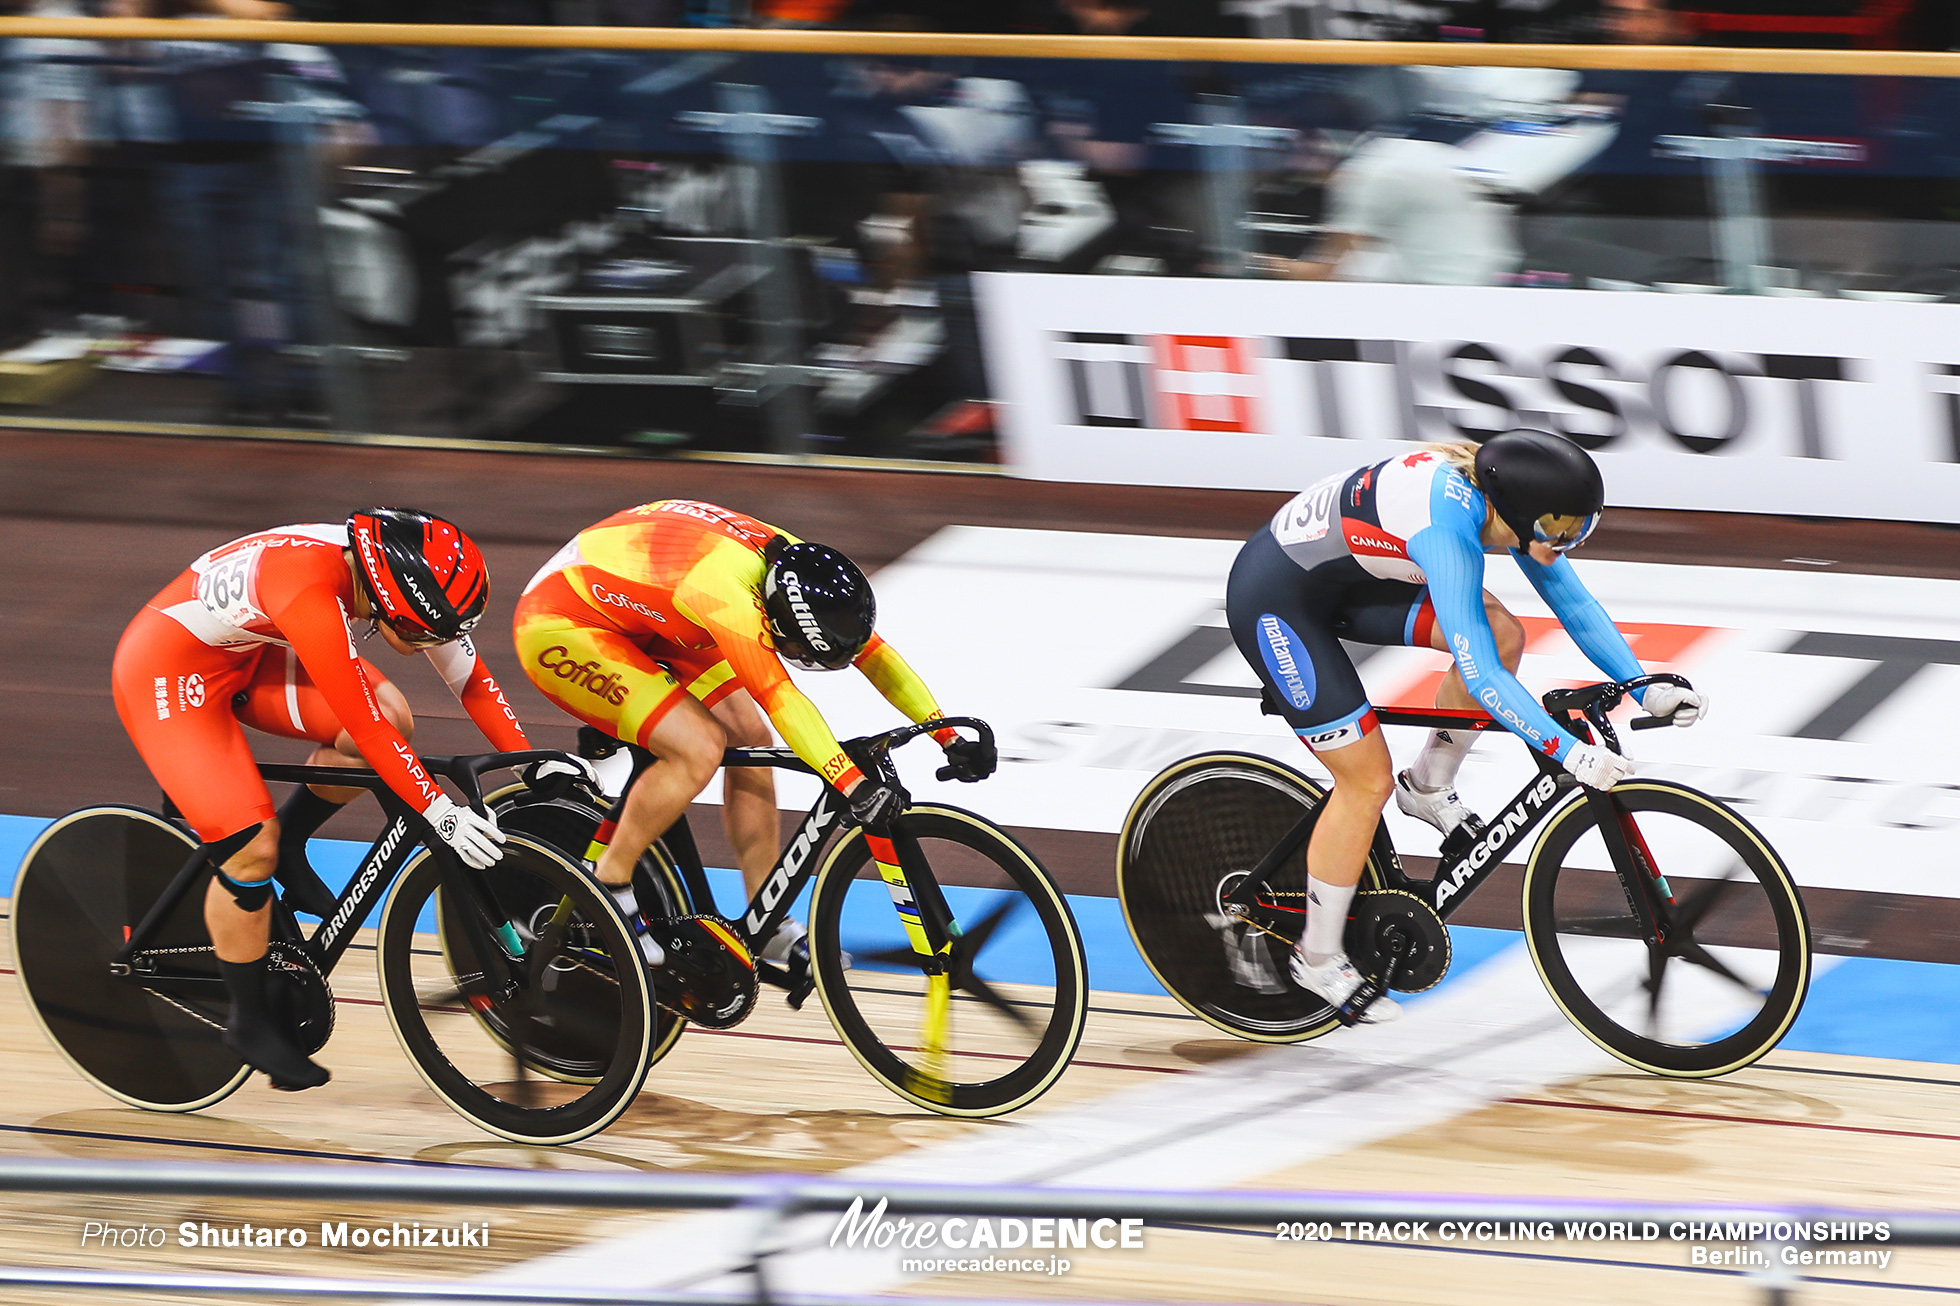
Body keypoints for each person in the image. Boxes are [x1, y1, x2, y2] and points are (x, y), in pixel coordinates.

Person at [1225, 431, 1706, 1022]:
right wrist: (1567, 750)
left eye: (1578, 530)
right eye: (1558, 530)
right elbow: (1480, 678)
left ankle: (1427, 785)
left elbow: (1573, 605)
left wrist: (1641, 684)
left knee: (1504, 632)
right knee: (1365, 781)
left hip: (1355, 579)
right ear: (1518, 511)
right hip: (1280, 599)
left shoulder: (1506, 507)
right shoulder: (1449, 533)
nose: (1565, 543)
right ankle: (1318, 958)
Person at [111, 509, 540, 1089]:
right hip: (169, 669)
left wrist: (534, 767)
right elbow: (364, 727)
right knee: (249, 850)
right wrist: (439, 810)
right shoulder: (309, 584)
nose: (423, 648)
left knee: (395, 717)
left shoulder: (393, 573)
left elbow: (471, 683)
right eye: (416, 634)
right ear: (386, 601)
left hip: (252, 647)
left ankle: (292, 837)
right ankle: (250, 1018)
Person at [512, 499, 993, 980]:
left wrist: (946, 735)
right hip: (564, 621)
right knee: (699, 746)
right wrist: (850, 785)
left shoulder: (798, 570)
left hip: (651, 606)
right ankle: (612, 885)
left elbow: (875, 655)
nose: (798, 655)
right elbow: (780, 696)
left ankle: (766, 921)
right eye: (799, 649)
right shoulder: (727, 594)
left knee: (750, 735)